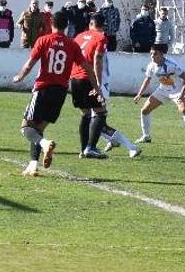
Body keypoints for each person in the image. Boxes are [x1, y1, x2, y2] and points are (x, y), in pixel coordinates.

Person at [11, 10, 97, 176]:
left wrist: (20, 76)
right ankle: (33, 165)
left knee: (25, 128)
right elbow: (87, 68)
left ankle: (44, 144)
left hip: (43, 88)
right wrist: (97, 87)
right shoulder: (72, 45)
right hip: (60, 92)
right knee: (37, 128)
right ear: (66, 26)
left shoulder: (44, 40)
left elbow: (30, 64)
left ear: (51, 24)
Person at [73, 13, 140, 159]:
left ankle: (84, 148)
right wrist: (98, 84)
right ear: (103, 26)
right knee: (100, 114)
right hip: (89, 79)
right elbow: (97, 60)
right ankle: (91, 147)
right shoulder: (101, 37)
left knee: (86, 115)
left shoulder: (78, 37)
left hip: (75, 78)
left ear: (90, 24)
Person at [134, 45, 185, 147]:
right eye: (151, 53)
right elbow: (147, 79)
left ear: (161, 54)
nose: (152, 56)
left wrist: (181, 95)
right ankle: (146, 136)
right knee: (144, 110)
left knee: (184, 111)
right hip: (163, 90)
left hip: (177, 91)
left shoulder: (171, 65)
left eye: (155, 54)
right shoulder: (151, 66)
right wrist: (139, 94)